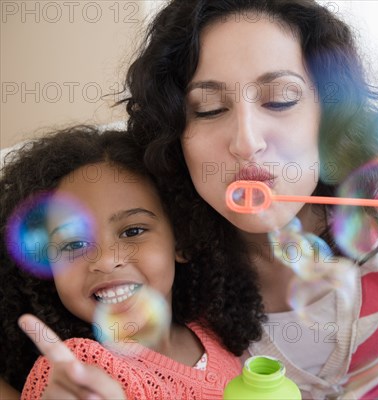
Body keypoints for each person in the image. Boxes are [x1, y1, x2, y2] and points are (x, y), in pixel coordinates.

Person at [2, 0, 378, 398]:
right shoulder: (168, 258)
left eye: (281, 99)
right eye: (209, 108)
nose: (246, 140)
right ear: (176, 138)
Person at [0, 126, 265, 399]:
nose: (105, 260)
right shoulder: (77, 370)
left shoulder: (212, 328)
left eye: (133, 231)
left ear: (182, 241)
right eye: (73, 245)